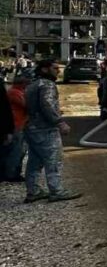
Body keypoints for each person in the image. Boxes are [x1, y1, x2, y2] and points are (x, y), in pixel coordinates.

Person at [23, 58, 80, 203]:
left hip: (31, 128)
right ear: (44, 69)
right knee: (54, 160)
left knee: (34, 161)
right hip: (45, 129)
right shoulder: (47, 84)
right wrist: (59, 121)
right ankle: (56, 191)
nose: (58, 71)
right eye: (55, 68)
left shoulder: (33, 84)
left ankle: (33, 191)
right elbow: (47, 104)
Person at [2, 71, 31, 182]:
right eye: (26, 84)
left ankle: (12, 172)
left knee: (18, 150)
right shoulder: (14, 92)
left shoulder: (16, 92)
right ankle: (11, 174)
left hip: (18, 124)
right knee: (15, 150)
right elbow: (26, 105)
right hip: (16, 125)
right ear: (22, 84)